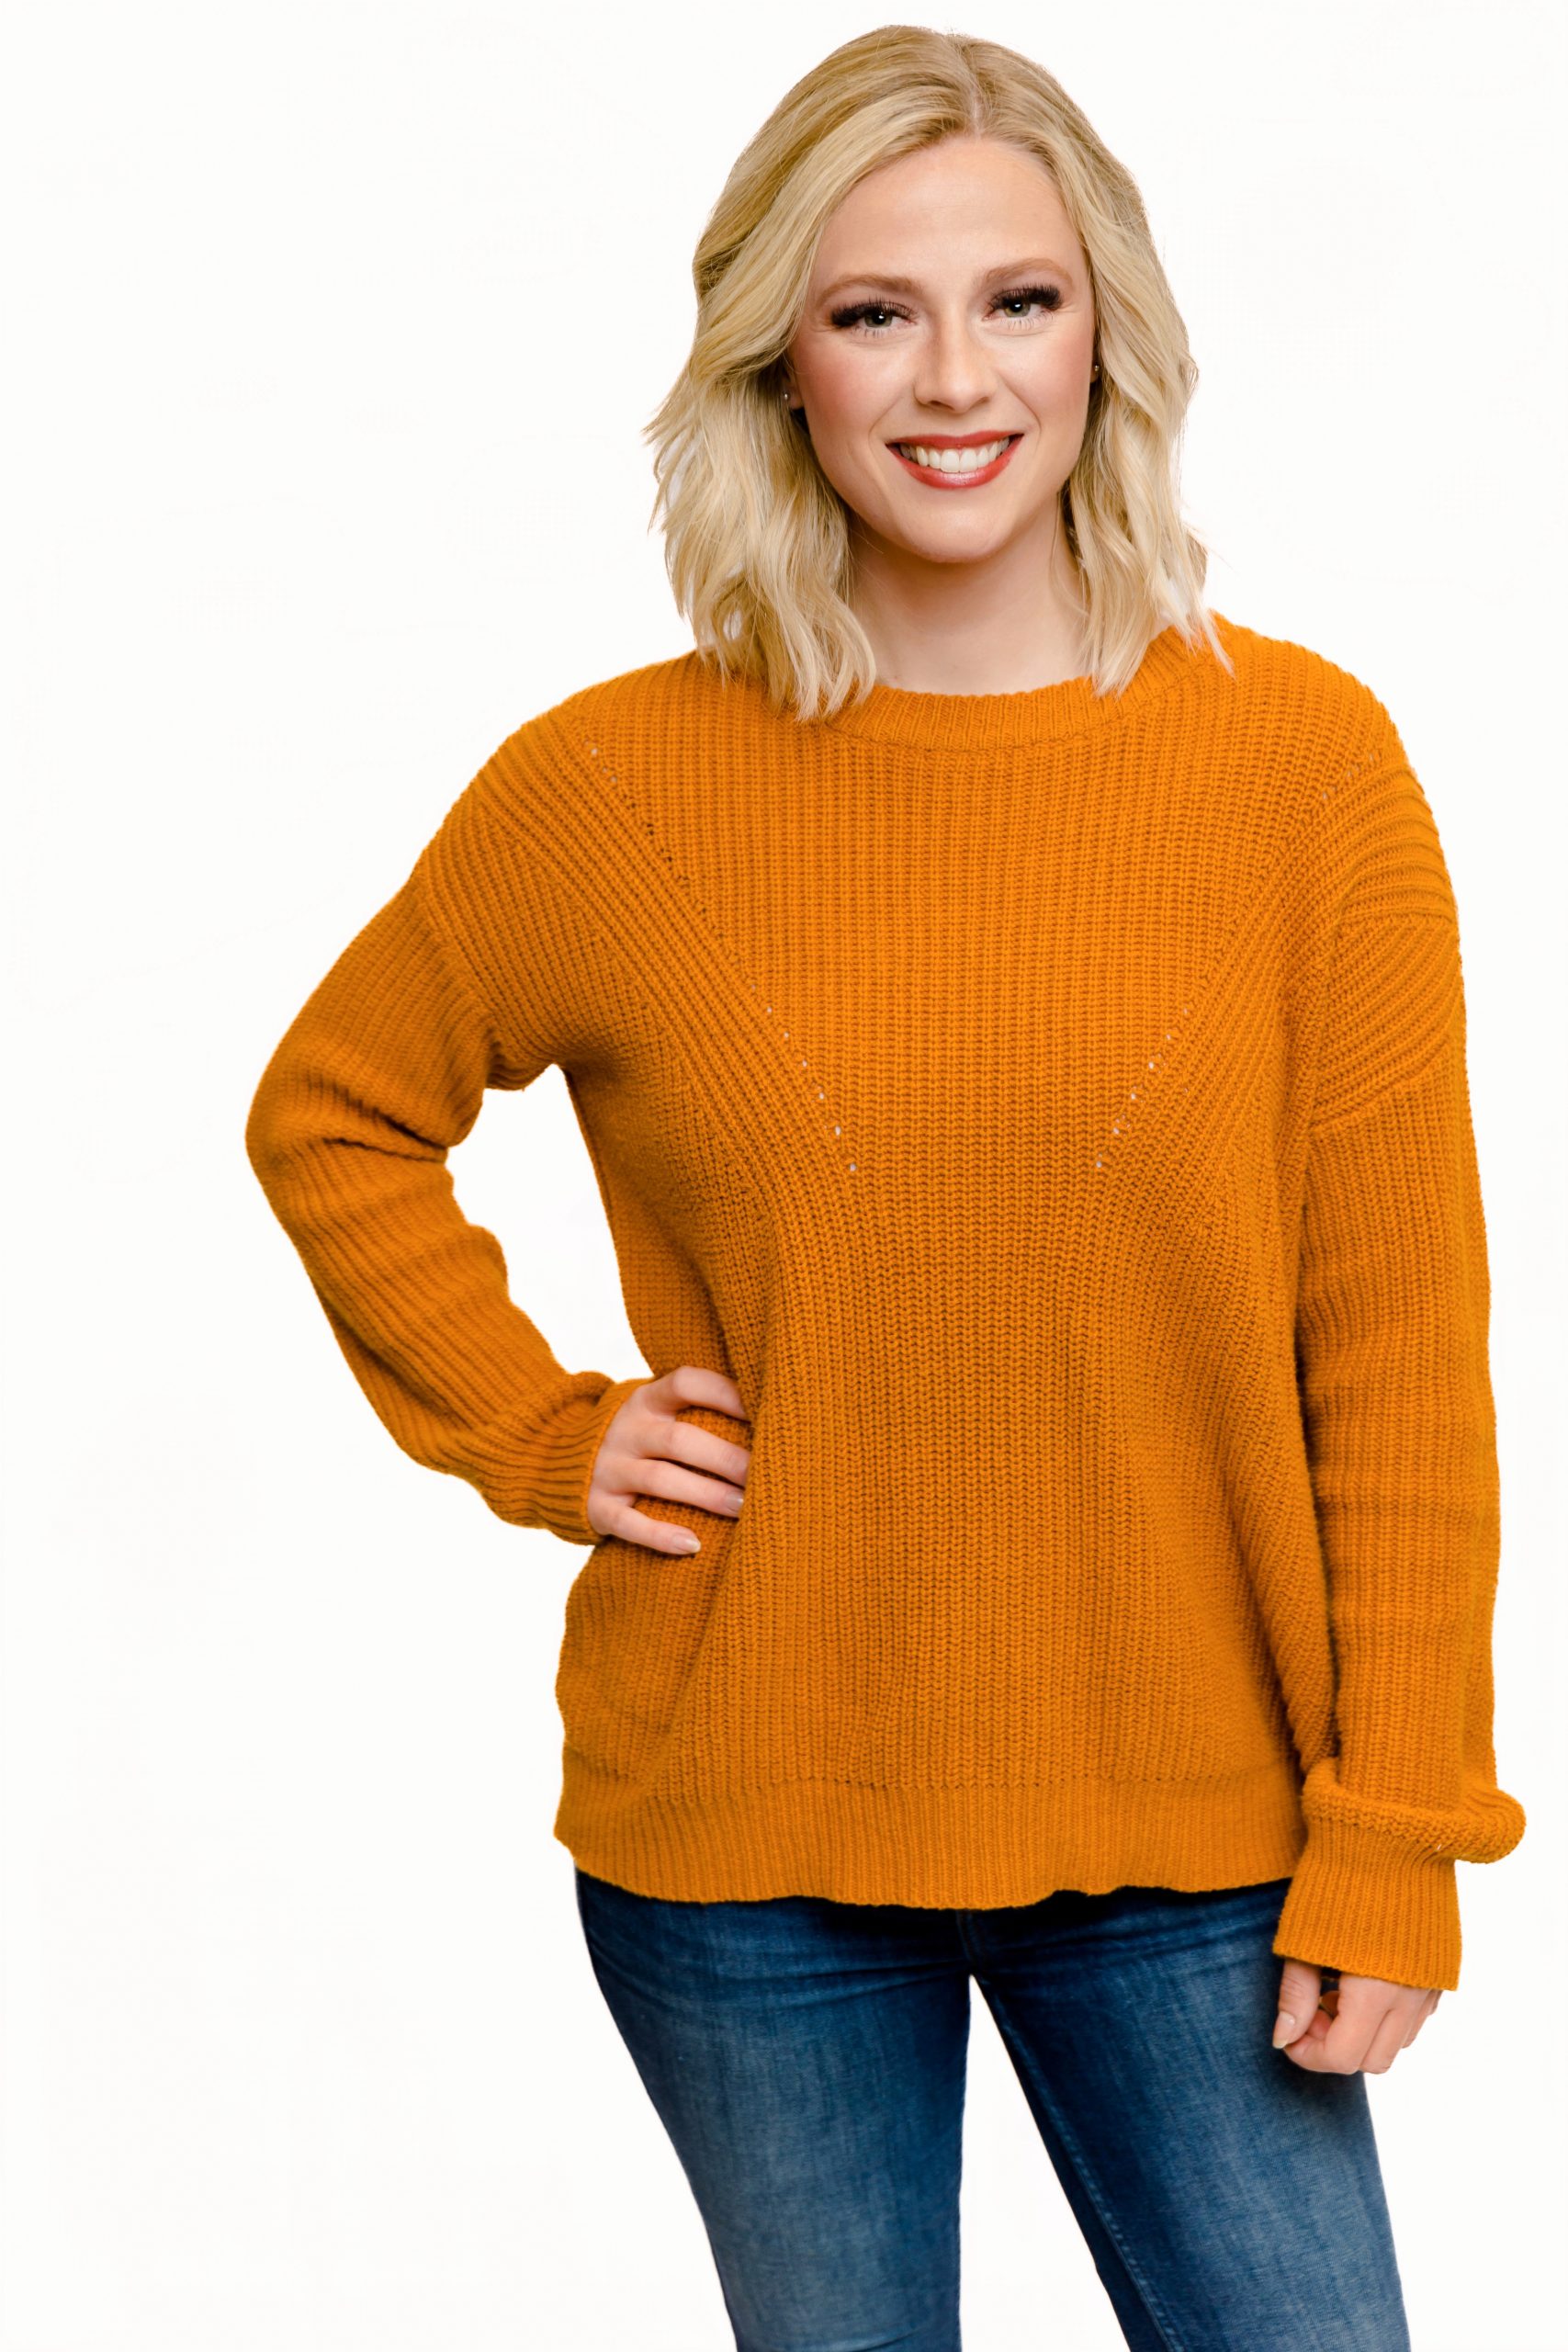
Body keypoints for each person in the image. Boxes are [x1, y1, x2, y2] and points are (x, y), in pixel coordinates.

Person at [244, 26, 1527, 2350]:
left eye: (1016, 301)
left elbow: (1396, 1350)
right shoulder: (607, 791)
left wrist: (1400, 1824)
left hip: (1199, 1830)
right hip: (746, 1833)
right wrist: (540, 1428)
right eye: (873, 311)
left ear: (1105, 335)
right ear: (781, 365)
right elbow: (333, 1109)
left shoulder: (1299, 769)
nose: (954, 378)